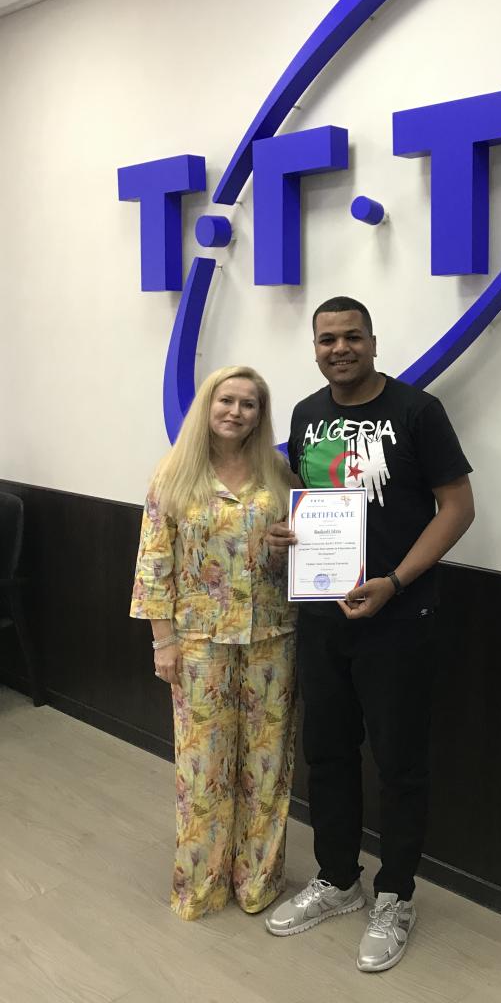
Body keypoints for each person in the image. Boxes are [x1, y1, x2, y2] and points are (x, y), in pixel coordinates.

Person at [265, 297, 474, 972]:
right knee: (326, 752)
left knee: (400, 763)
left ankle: (396, 895)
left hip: (399, 618)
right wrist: (289, 534)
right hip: (323, 616)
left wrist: (396, 580)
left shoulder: (417, 411)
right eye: (327, 339)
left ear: (373, 342)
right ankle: (337, 879)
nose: (339, 348)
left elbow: (458, 507)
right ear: (315, 348)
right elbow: (311, 502)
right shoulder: (306, 414)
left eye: (351, 336)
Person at [130, 365, 298, 920]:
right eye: (227, 400)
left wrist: (287, 545)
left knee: (267, 764)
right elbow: (154, 562)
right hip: (199, 640)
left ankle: (257, 881)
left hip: (272, 635)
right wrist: (162, 642)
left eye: (249, 404)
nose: (236, 411)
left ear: (260, 414)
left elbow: (295, 553)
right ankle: (201, 885)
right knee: (203, 765)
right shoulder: (175, 473)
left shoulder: (278, 473)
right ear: (208, 405)